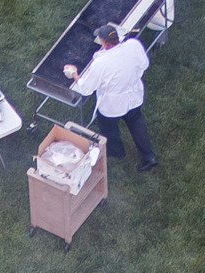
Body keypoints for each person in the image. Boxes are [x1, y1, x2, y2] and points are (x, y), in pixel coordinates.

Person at [61, 24, 156, 171]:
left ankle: (116, 152)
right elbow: (144, 63)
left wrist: (73, 73)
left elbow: (86, 88)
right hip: (134, 95)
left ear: (103, 42)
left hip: (112, 105)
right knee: (137, 122)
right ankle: (149, 156)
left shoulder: (101, 63)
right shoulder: (133, 45)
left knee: (108, 127)